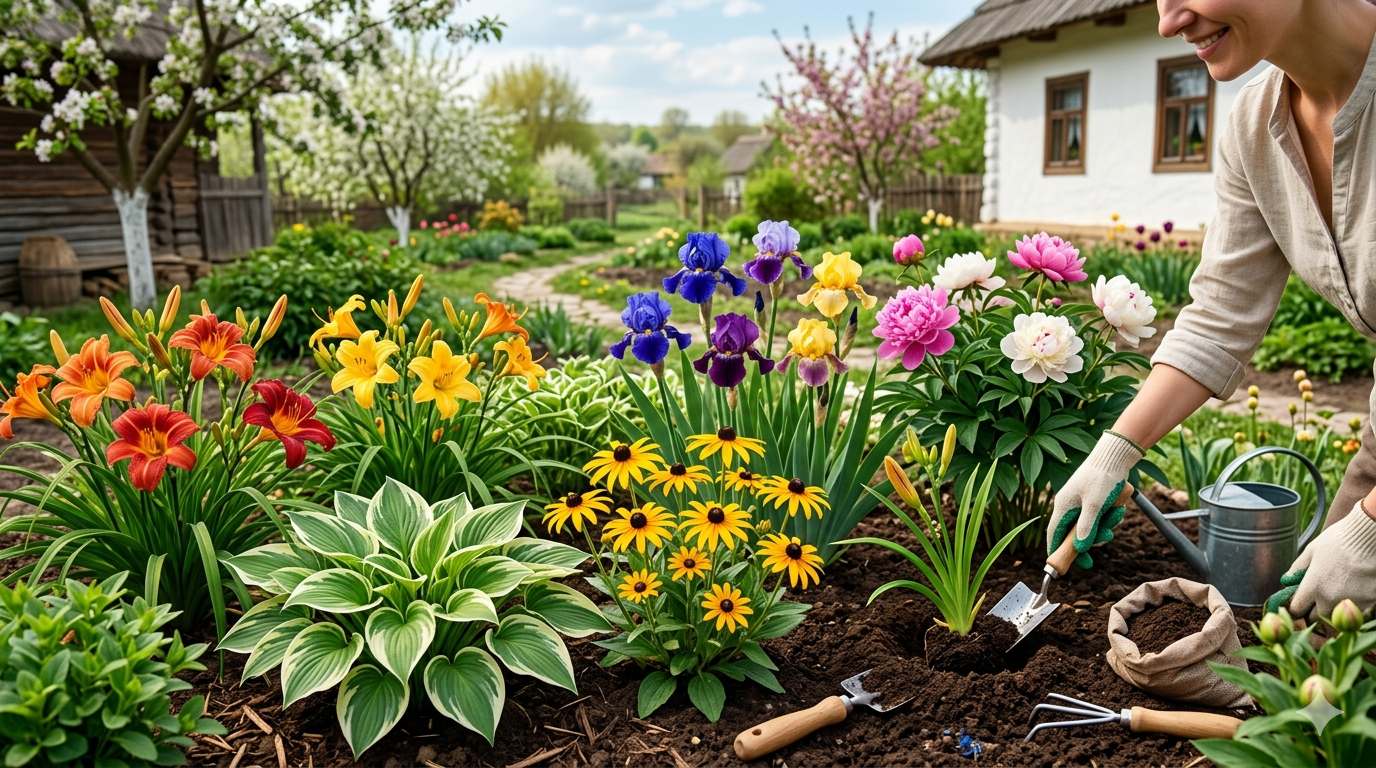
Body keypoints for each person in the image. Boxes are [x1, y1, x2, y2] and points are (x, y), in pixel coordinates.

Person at [1049, 0, 1376, 622]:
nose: (1170, 21)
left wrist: (1367, 528)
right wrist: (1115, 452)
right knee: (1314, 683)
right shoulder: (1256, 127)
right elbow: (1220, 315)